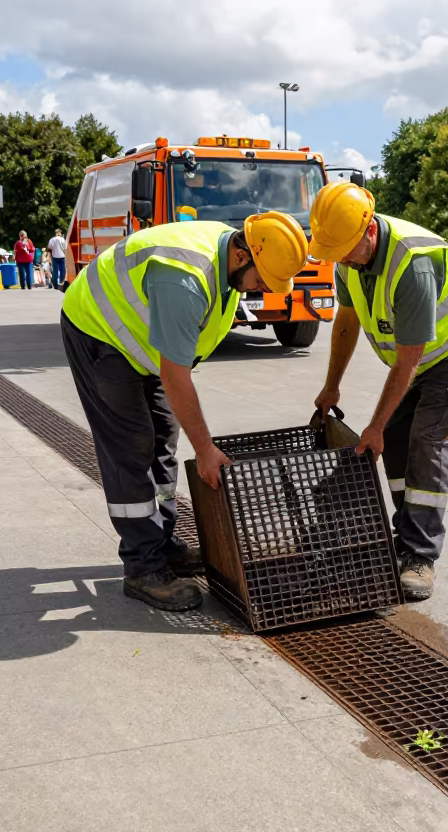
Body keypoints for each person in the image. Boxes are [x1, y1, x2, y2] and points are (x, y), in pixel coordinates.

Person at [61, 210, 306, 610]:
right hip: (99, 333)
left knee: (163, 441)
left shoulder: (229, 265)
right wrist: (206, 450)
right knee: (132, 448)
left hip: (144, 344)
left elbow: (181, 360)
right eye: (262, 280)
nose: (261, 290)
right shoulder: (184, 279)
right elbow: (175, 376)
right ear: (243, 256)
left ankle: (163, 542)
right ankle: (142, 568)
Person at [309, 183, 448, 602]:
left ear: (369, 231)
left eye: (345, 249)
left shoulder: (413, 264)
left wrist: (373, 425)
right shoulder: (346, 253)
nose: (340, 258)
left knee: (429, 442)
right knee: (393, 442)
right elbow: (346, 320)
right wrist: (332, 385)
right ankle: (406, 531)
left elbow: (408, 361)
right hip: (418, 354)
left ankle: (420, 555)